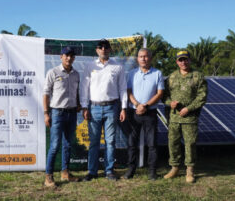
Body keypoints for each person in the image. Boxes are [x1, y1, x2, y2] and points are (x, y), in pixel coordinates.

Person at [80, 39, 127, 181]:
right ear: (97, 50)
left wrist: (123, 108)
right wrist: (84, 106)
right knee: (94, 142)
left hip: (112, 108)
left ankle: (109, 171)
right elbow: (84, 88)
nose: (103, 49)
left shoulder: (118, 67)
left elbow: (123, 88)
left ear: (109, 50)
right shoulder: (90, 66)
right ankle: (92, 171)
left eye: (106, 47)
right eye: (101, 47)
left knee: (110, 141)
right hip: (93, 108)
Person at [162, 50, 207, 183]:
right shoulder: (171, 77)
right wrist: (170, 103)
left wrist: (189, 108)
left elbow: (202, 96)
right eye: (180, 60)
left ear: (189, 60)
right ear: (177, 62)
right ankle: (174, 167)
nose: (183, 62)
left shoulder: (197, 76)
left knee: (190, 144)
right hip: (174, 118)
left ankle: (190, 170)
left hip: (190, 118)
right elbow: (164, 96)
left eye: (185, 59)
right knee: (173, 143)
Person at [122, 48, 164, 181]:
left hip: (150, 112)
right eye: (141, 57)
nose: (143, 59)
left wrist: (145, 106)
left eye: (146, 56)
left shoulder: (158, 73)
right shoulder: (131, 73)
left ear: (150, 58)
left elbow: (160, 93)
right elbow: (128, 91)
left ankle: (152, 171)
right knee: (131, 143)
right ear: (137, 59)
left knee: (152, 143)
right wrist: (137, 105)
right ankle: (131, 169)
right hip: (133, 112)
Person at [43, 46, 80, 187]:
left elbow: (76, 92)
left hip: (71, 113)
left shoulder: (76, 74)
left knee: (68, 145)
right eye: (66, 55)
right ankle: (48, 176)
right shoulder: (53, 72)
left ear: (74, 58)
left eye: (71, 56)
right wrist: (46, 113)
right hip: (57, 113)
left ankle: (65, 173)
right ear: (61, 57)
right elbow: (46, 94)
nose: (69, 58)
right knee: (54, 145)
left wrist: (77, 103)